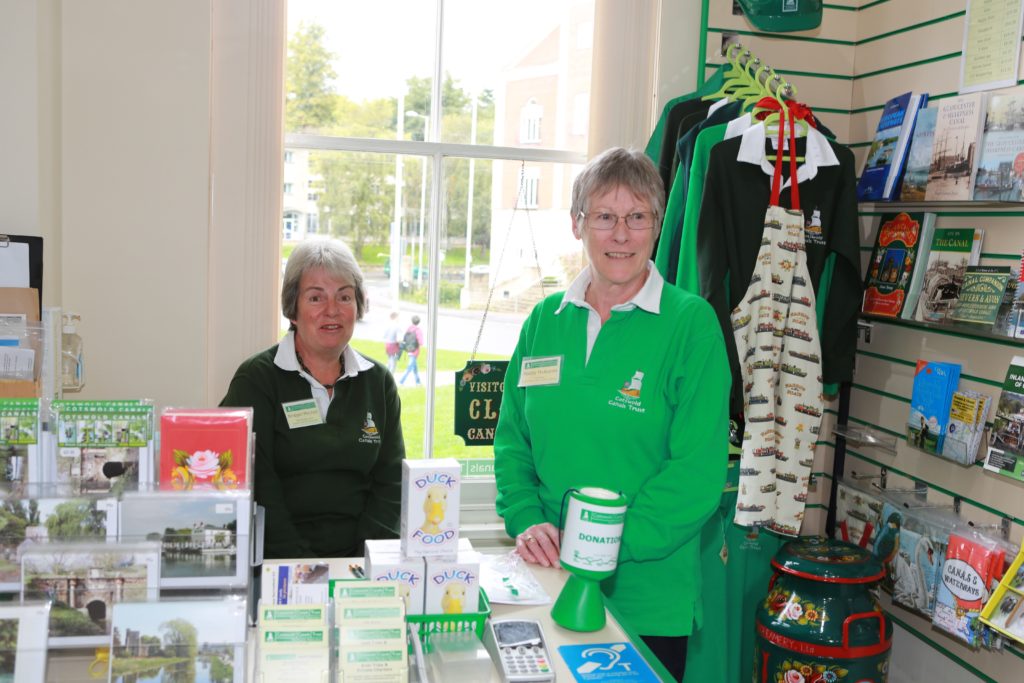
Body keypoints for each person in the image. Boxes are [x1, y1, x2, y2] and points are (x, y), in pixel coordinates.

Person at [493, 147, 730, 682]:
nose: (620, 234)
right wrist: (527, 517)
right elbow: (512, 441)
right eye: (604, 217)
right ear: (578, 224)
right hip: (546, 582)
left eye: (637, 217)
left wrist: (600, 547)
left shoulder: (691, 326)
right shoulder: (543, 321)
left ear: (657, 225)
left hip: (647, 599)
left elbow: (696, 474)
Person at [221, 237, 404, 559]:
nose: (332, 310)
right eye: (316, 298)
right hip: (278, 562)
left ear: (358, 306)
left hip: (362, 563)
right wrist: (301, 567)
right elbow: (256, 485)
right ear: (293, 308)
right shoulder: (257, 380)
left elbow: (390, 485)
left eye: (344, 297)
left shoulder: (378, 383)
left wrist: (364, 562)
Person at [398, 315, 424, 386]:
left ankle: (418, 382)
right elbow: (421, 342)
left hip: (408, 350)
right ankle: (401, 382)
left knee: (415, 368)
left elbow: (404, 339)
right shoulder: (418, 330)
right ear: (418, 322)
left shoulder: (409, 329)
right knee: (409, 368)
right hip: (414, 351)